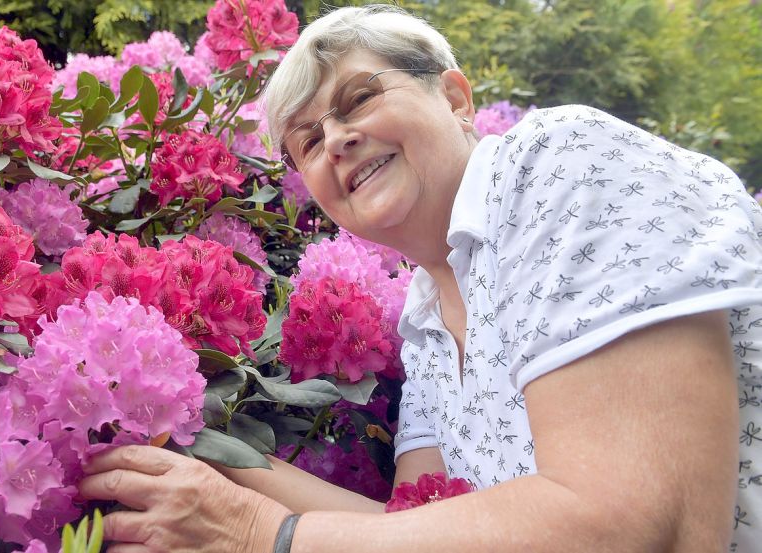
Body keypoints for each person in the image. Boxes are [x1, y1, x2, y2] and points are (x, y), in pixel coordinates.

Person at [79, 5, 762, 552]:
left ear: (456, 97)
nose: (338, 139)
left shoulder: (559, 164)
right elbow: (407, 524)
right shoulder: (425, 313)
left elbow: (643, 527)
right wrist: (197, 448)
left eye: (358, 98)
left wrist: (264, 535)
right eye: (309, 141)